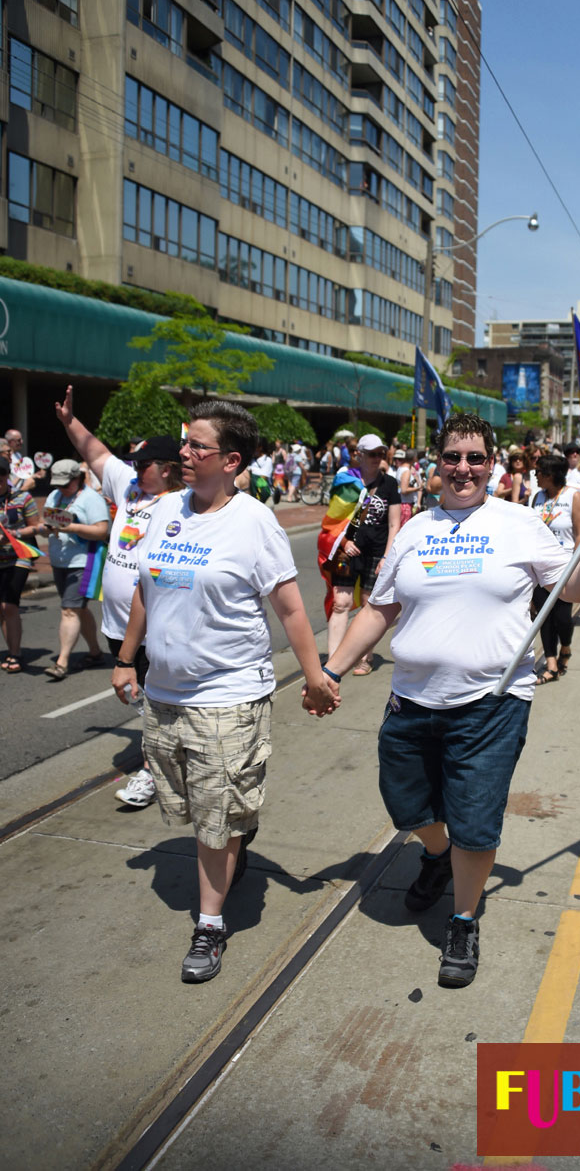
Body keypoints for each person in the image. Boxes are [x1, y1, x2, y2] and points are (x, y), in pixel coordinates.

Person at [315, 414, 580, 988]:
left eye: (476, 458)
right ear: (436, 464)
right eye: (453, 457)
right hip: (412, 699)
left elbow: (574, 590)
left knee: (475, 823)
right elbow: (379, 610)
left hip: (492, 700)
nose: (464, 469)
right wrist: (331, 670)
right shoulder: (415, 531)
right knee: (408, 805)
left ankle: (463, 917)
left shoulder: (520, 524)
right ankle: (434, 855)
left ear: (492, 465)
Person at [112, 400, 337, 983]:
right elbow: (145, 588)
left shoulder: (253, 520)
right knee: (191, 807)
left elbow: (288, 606)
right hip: (164, 694)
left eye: (196, 447)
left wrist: (314, 676)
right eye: (185, 444)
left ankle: (209, 926)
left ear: (231, 460)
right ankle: (240, 827)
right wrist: (124, 658)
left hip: (229, 693)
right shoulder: (164, 511)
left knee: (213, 820)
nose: (182, 453)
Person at [54, 384, 183, 807]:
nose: (137, 468)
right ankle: (169, 749)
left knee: (156, 697)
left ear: (166, 469)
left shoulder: (182, 504)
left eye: (145, 463)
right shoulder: (129, 485)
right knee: (139, 696)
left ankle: (153, 771)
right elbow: (95, 453)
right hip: (116, 624)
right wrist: (69, 420)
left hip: (158, 626)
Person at [325, 434, 402, 675]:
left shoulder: (389, 483)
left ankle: (364, 659)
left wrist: (387, 556)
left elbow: (394, 524)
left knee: (369, 605)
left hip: (377, 553)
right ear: (359, 455)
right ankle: (333, 660)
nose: (377, 458)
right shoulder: (345, 481)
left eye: (381, 454)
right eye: (372, 454)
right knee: (341, 604)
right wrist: (345, 541)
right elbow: (332, 520)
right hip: (347, 550)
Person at [39, 459, 110, 679]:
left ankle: (62, 662)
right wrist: (45, 529)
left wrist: (72, 527)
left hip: (83, 561)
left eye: (65, 484)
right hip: (60, 561)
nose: (61, 488)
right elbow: (47, 521)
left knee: (69, 610)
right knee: (78, 609)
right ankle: (95, 652)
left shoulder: (91, 499)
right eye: (58, 484)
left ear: (77, 478)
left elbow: (101, 531)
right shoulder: (55, 496)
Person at [530, 454, 580, 684]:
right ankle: (551, 663)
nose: (535, 477)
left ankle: (566, 646)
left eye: (538, 473)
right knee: (544, 615)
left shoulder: (573, 497)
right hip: (540, 566)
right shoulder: (537, 497)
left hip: (565, 566)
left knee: (563, 618)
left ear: (550, 475)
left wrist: (576, 566)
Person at [0, 456, 41, 672]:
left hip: (19, 556)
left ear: (8, 476)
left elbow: (37, 527)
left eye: (2, 474)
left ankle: (15, 655)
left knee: (9, 605)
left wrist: (13, 534)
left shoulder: (22, 497)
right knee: (2, 609)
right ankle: (12, 649)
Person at [395, 448, 423, 523]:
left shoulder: (401, 468)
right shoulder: (406, 471)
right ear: (414, 458)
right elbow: (404, 490)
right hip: (406, 506)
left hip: (403, 504)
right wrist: (418, 488)